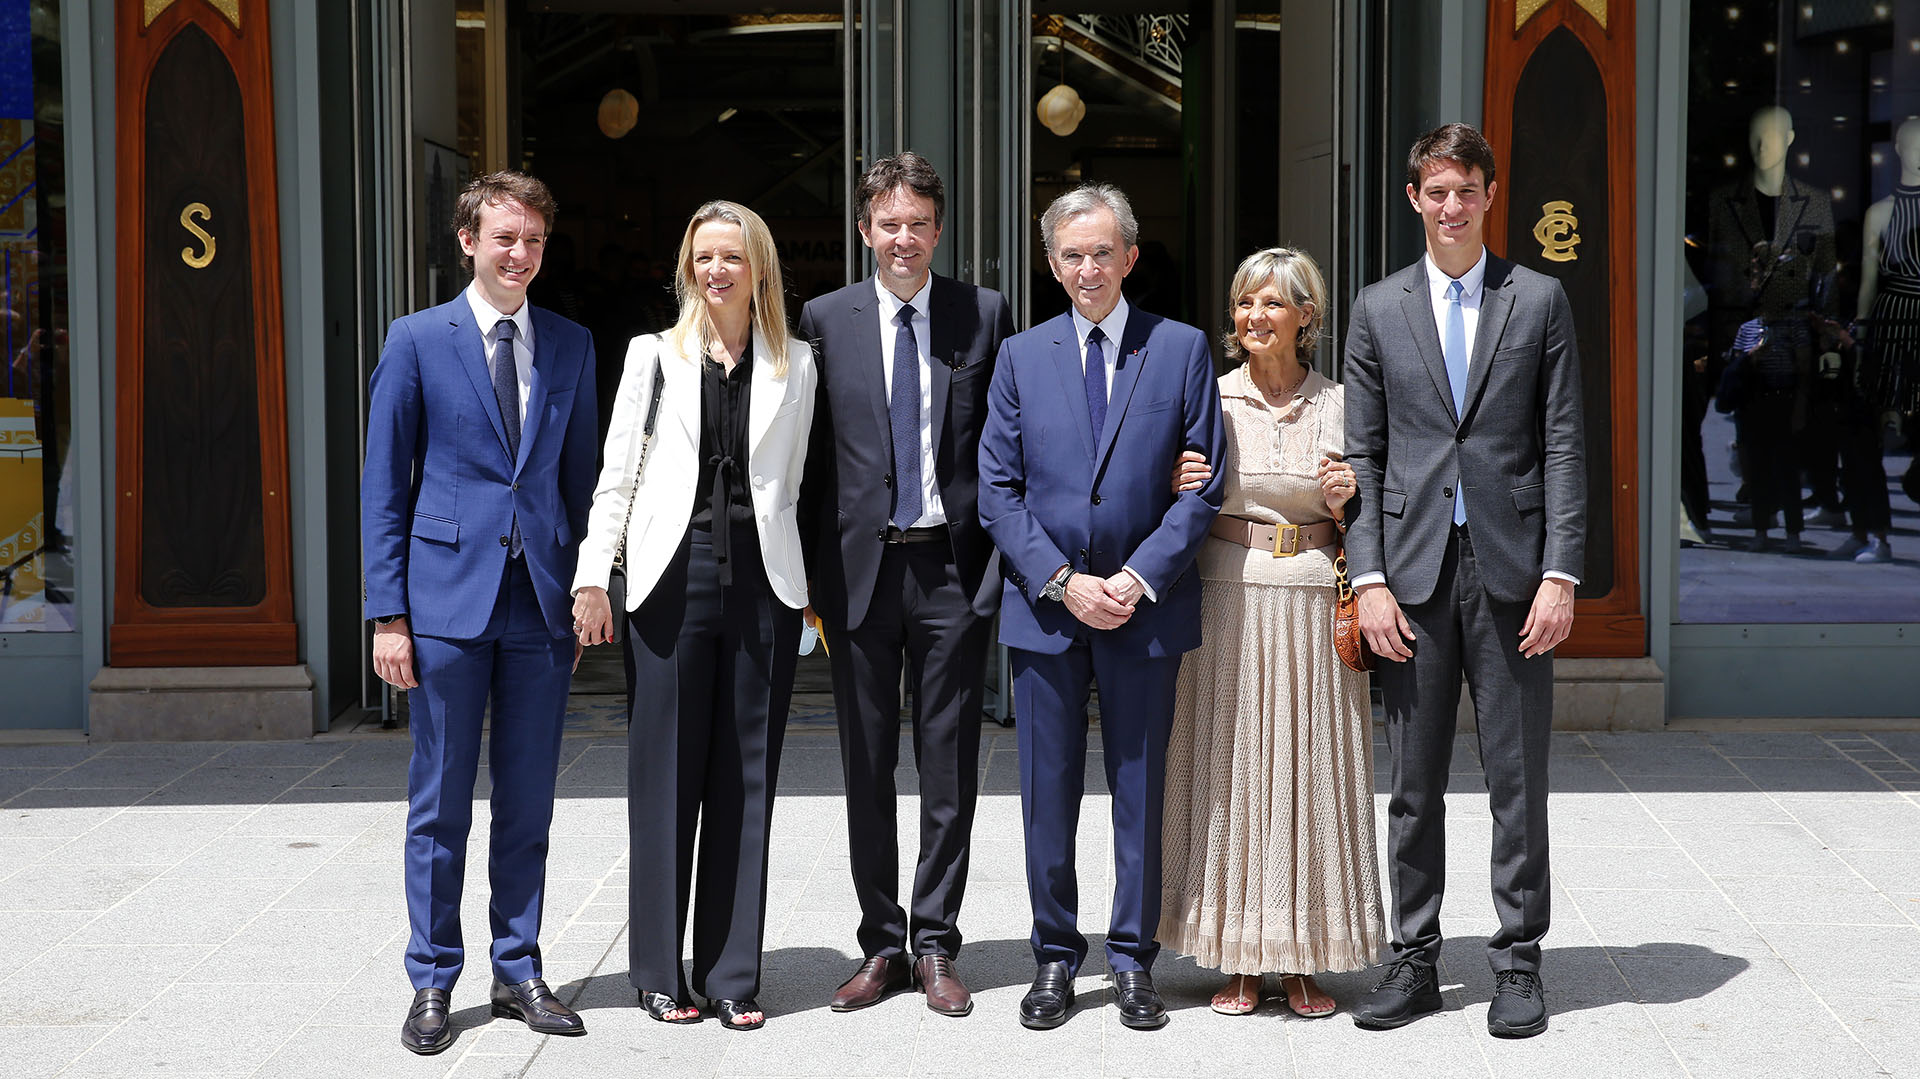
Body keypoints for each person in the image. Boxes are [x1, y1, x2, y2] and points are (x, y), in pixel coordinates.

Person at [1343, 123, 1585, 1039]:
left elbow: (1563, 440)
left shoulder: (1540, 299)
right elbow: (1363, 454)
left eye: (1467, 191)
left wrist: (1562, 570)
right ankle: (1413, 957)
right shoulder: (1377, 308)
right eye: (1436, 191)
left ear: (1490, 196)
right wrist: (1366, 577)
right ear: (1415, 199)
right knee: (1412, 782)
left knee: (1516, 778)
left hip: (1516, 570)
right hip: (1407, 574)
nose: (1452, 206)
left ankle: (1519, 960)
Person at [977, 182, 1226, 1031]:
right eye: (1072, 255)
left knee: (1140, 787)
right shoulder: (1020, 356)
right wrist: (1062, 579)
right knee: (1047, 793)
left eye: (1103, 252)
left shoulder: (1182, 348)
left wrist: (1137, 577)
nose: (1089, 267)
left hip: (1143, 608)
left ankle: (1132, 958)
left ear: (1131, 256)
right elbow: (997, 491)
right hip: (1047, 611)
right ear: (1053, 265)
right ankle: (1054, 954)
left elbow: (1204, 485)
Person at [361, 171, 597, 1054]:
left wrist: (584, 588)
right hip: (444, 606)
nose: (519, 254)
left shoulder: (571, 344)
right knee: (441, 801)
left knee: (529, 799)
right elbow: (384, 484)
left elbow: (581, 484)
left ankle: (518, 966)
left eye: (533, 240)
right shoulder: (417, 340)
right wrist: (389, 614)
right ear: (468, 240)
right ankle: (431, 977)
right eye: (504, 237)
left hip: (538, 606)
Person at [571, 200, 816, 1032]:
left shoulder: (798, 364)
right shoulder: (652, 357)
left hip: (763, 583)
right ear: (688, 268)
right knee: (665, 777)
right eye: (703, 257)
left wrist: (811, 589)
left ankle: (732, 974)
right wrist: (593, 576)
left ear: (759, 269)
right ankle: (656, 970)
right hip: (669, 580)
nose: (716, 270)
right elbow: (618, 473)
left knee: (746, 779)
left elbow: (800, 485)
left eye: (732, 257)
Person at [797, 153, 1014, 1018]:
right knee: (865, 762)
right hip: (858, 576)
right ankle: (880, 942)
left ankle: (936, 942)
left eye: (919, 223)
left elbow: (1007, 445)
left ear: (938, 228)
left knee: (949, 762)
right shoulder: (823, 318)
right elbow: (808, 459)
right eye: (889, 224)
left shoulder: (982, 315)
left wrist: (996, 569)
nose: (904, 238)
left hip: (949, 573)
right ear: (865, 230)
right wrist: (809, 579)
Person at [1157, 248, 1385, 1019]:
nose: (1255, 317)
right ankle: (1238, 956)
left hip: (1316, 598)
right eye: (1245, 303)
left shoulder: (1343, 404)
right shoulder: (1209, 401)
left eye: (1273, 304)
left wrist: (1351, 496)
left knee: (1309, 768)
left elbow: (1381, 512)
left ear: (1306, 316)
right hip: (1226, 598)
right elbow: (1168, 495)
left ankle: (1305, 959)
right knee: (1232, 768)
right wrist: (1178, 479)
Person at [1705, 105, 1836, 554]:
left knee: (1785, 447)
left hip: (1793, 334)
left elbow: (1825, 272)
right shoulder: (1725, 200)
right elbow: (1717, 270)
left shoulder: (1814, 202)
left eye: (1775, 136)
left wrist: (1824, 327)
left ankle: (1791, 513)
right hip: (1743, 334)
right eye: (1757, 136)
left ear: (1792, 139)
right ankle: (1758, 505)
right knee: (1752, 442)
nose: (1764, 146)